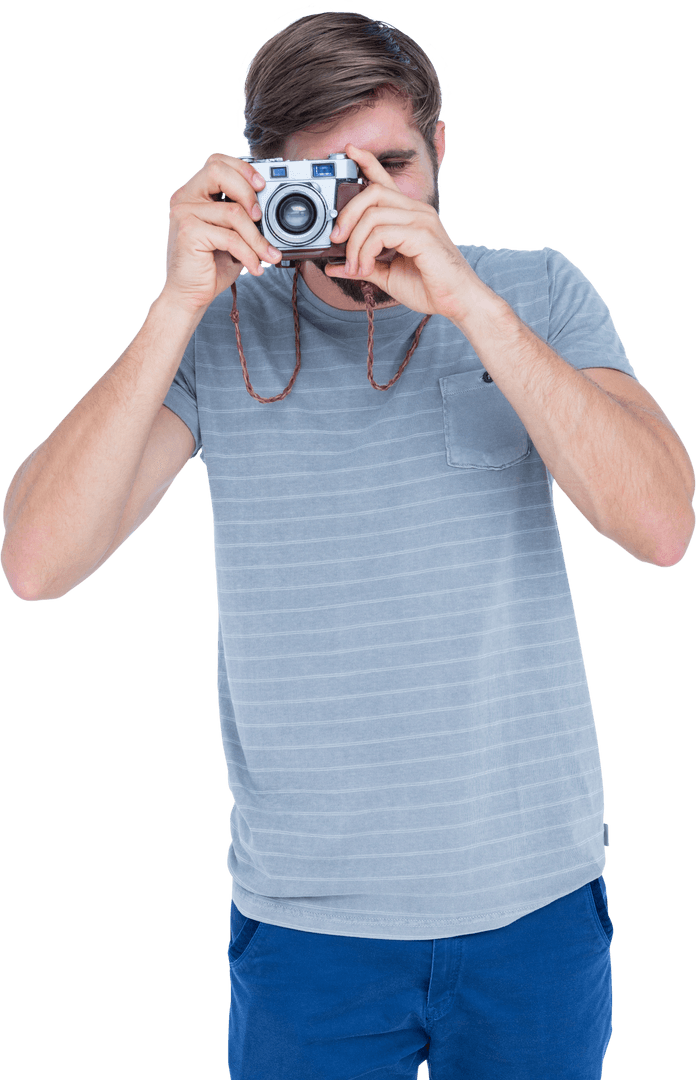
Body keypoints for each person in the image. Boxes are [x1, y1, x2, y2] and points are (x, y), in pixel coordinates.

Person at [1, 10, 694, 1080]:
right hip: (308, 929)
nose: (365, 204)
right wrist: (176, 304)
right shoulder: (221, 335)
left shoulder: (537, 292)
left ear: (441, 152)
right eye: (327, 179)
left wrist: (466, 299)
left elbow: (660, 527)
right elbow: (37, 561)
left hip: (534, 909)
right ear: (263, 182)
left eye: (392, 166)